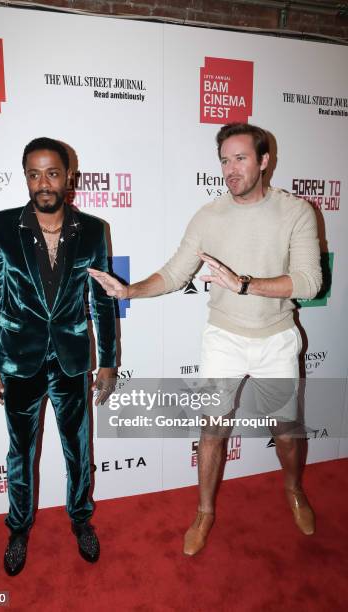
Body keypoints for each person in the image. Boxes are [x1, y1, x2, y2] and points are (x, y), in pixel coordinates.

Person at [88, 122, 322, 556]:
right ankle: (205, 511)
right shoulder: (208, 216)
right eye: (224, 161)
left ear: (264, 161)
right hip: (224, 338)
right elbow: (177, 273)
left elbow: (309, 282)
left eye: (241, 158)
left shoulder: (297, 212)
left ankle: (294, 489)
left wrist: (245, 284)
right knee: (212, 430)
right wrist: (130, 290)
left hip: (277, 338)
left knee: (287, 431)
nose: (231, 169)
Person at [0, 137, 117, 575]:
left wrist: (109, 360)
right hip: (20, 361)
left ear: (68, 177)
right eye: (34, 174)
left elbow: (103, 301)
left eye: (52, 173)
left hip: (73, 361)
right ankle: (18, 527)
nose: (43, 183)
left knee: (77, 449)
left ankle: (80, 519)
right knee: (21, 452)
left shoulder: (94, 230)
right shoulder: (1, 226)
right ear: (26, 177)